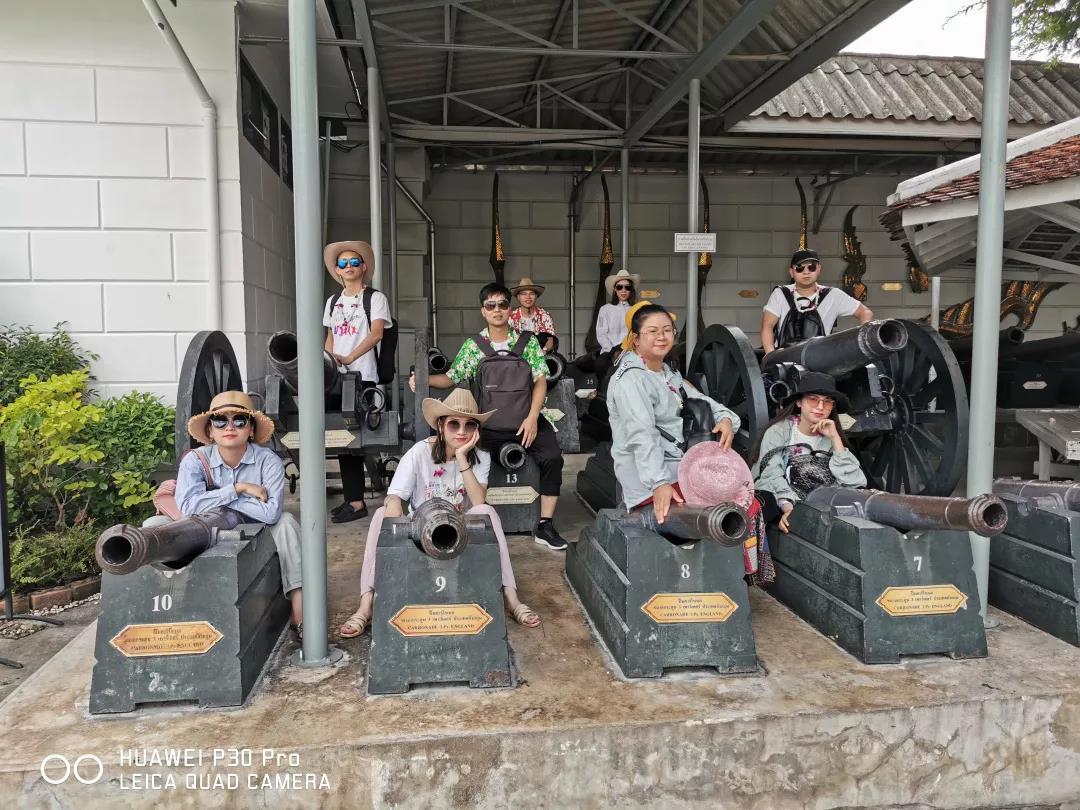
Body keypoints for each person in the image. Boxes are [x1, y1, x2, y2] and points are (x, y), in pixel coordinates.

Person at [337, 389, 541, 637]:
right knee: (381, 515)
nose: (462, 431)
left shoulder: (481, 457)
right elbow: (395, 496)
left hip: (461, 533)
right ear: (441, 426)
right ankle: (366, 604)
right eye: (454, 424)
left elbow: (478, 499)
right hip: (421, 530)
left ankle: (511, 597)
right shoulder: (419, 452)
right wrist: (393, 516)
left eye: (469, 425)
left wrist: (462, 457)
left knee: (487, 511)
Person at [411, 282, 569, 550]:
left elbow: (540, 380)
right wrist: (423, 380)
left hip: (525, 420)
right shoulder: (474, 346)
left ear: (510, 308)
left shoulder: (527, 342)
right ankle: (470, 515)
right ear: (483, 311)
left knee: (552, 457)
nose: (497, 310)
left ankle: (545, 525)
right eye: (490, 305)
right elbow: (451, 378)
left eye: (502, 304)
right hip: (488, 424)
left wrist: (532, 418)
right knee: (466, 458)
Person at [144, 391, 304, 638]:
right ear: (210, 431)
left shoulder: (267, 461)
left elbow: (271, 513)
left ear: (251, 429)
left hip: (253, 528)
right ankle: (164, 610)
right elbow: (188, 507)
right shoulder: (196, 461)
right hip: (204, 527)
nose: (230, 427)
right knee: (153, 526)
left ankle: (300, 611)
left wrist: (220, 499)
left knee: (286, 523)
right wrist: (239, 489)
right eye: (220, 420)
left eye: (239, 420)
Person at [607, 303, 740, 523]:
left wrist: (725, 418)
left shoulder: (666, 373)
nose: (661, 336)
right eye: (652, 331)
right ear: (636, 339)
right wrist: (659, 483)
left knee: (746, 498)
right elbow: (642, 435)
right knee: (732, 509)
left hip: (681, 466)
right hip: (649, 480)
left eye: (667, 330)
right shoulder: (632, 380)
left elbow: (699, 398)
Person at [322, 239, 392, 523]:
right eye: (343, 263)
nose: (348, 266)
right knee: (339, 437)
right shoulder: (332, 302)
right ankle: (353, 499)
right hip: (335, 376)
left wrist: (350, 357)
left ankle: (356, 502)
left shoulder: (374, 299)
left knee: (353, 437)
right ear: (338, 270)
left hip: (363, 375)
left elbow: (377, 334)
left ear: (363, 267)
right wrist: (328, 361)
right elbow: (330, 337)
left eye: (354, 262)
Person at [749, 372, 868, 533]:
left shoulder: (830, 436)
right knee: (767, 503)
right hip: (783, 502)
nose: (820, 407)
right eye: (813, 399)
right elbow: (771, 475)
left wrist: (835, 438)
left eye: (827, 402)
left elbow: (855, 483)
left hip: (823, 505)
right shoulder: (779, 431)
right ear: (799, 402)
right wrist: (790, 509)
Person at [760, 248, 874, 353]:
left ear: (819, 269)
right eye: (799, 268)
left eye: (811, 267)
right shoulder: (780, 294)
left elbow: (865, 312)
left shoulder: (833, 295)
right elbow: (767, 326)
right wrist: (770, 355)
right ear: (791, 272)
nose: (806, 272)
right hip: (783, 359)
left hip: (819, 359)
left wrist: (864, 333)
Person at [509, 277, 558, 354]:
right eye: (524, 294)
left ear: (536, 296)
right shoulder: (511, 317)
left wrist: (543, 351)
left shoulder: (544, 316)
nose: (528, 297)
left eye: (531, 293)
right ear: (518, 297)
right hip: (517, 357)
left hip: (542, 355)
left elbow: (550, 340)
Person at [596, 268, 639, 353]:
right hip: (609, 352)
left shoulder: (637, 309)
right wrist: (611, 351)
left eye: (627, 287)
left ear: (631, 290)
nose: (623, 290)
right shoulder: (605, 309)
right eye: (619, 287)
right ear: (615, 289)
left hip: (632, 352)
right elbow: (601, 333)